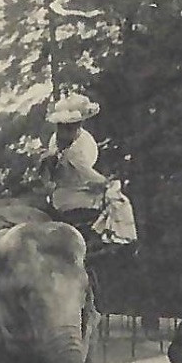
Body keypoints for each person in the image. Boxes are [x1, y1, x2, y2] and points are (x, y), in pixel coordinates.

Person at [39, 93, 137, 251]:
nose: (65, 130)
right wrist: (106, 182)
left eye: (69, 126)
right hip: (73, 197)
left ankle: (109, 239)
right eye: (64, 126)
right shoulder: (79, 145)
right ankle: (113, 239)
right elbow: (85, 172)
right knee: (117, 199)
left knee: (109, 193)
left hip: (59, 195)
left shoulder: (59, 141)